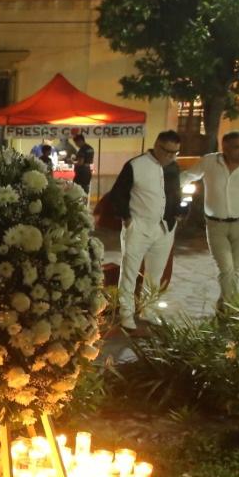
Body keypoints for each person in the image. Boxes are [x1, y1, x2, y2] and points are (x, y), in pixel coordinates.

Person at [103, 130, 186, 335]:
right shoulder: (136, 165)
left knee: (155, 275)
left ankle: (148, 310)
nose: (170, 157)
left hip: (165, 228)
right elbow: (118, 194)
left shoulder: (173, 168)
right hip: (139, 225)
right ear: (157, 145)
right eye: (167, 151)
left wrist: (179, 212)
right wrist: (127, 218)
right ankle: (126, 313)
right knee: (130, 272)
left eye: (175, 152)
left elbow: (176, 193)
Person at [183, 130, 239, 309]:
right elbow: (188, 176)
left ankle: (224, 304)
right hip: (216, 224)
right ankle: (232, 306)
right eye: (237, 147)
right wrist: (166, 186)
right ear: (225, 148)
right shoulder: (209, 162)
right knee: (226, 268)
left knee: (235, 269)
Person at [71, 130, 95, 195]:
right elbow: (90, 160)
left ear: (80, 141)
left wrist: (72, 162)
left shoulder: (82, 149)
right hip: (88, 171)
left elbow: (80, 163)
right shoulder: (90, 148)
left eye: (76, 143)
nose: (76, 145)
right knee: (86, 189)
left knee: (78, 190)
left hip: (81, 173)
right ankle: (85, 202)